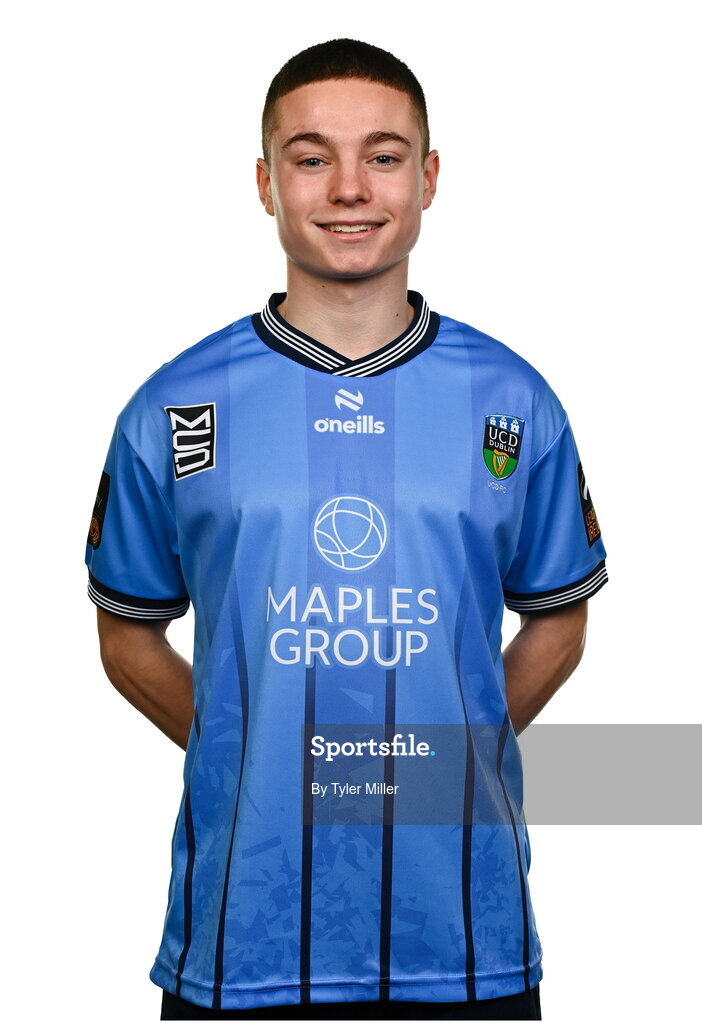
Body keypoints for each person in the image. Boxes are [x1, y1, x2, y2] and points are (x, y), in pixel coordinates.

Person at [85, 38, 608, 1022]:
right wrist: (255, 751)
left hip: (465, 943)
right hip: (241, 946)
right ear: (265, 182)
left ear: (429, 177)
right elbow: (126, 635)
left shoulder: (512, 401)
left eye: (384, 155)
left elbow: (559, 619)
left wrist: (443, 756)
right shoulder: (176, 406)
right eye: (311, 156)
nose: (350, 188)